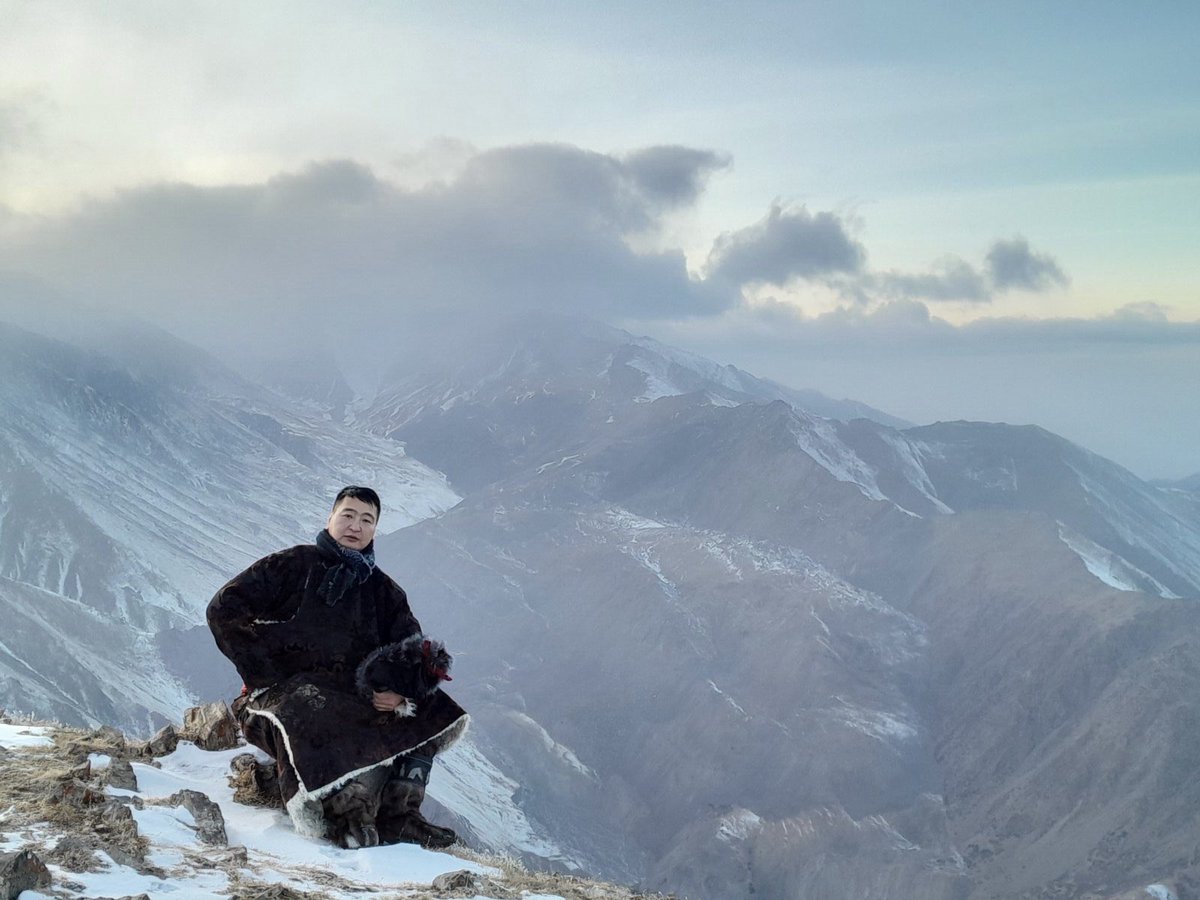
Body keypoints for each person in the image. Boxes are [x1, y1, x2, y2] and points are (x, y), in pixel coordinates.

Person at [207, 485, 468, 849]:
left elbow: (412, 651)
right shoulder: (290, 566)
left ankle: (400, 815)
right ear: (330, 517)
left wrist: (399, 692)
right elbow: (224, 609)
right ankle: (349, 817)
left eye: (366, 520)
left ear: (375, 530)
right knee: (306, 705)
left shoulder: (385, 592)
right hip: (278, 699)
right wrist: (265, 671)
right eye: (347, 515)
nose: (355, 526)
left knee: (434, 707)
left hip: (351, 696)